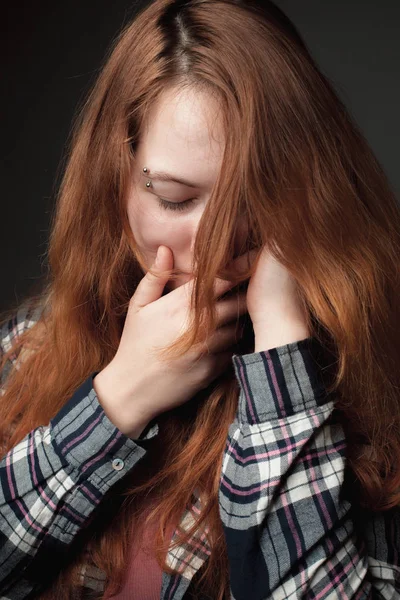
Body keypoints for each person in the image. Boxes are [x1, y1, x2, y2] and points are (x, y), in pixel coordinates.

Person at [1, 0, 400, 598]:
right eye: (176, 199)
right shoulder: (26, 351)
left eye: (251, 198)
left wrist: (282, 350)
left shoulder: (375, 387)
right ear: (116, 180)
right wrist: (120, 396)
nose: (216, 244)